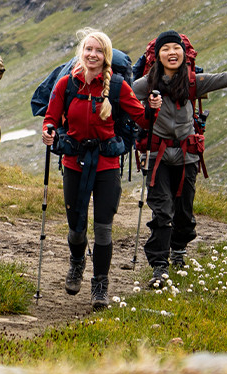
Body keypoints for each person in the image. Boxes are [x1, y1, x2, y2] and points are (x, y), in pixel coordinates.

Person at [131, 30, 227, 287]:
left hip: (188, 155)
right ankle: (159, 266)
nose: (172, 53)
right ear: (157, 56)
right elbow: (124, 102)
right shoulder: (144, 85)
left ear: (183, 53)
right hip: (157, 156)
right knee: (162, 212)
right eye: (165, 49)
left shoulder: (193, 82)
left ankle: (178, 250)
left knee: (185, 212)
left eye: (175, 48)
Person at [42, 29, 161, 311]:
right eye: (88, 49)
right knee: (76, 228)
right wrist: (49, 131)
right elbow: (50, 117)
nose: (92, 55)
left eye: (98, 51)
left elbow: (143, 121)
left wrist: (153, 109)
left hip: (107, 165)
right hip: (74, 163)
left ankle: (100, 285)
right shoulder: (65, 85)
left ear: (105, 56)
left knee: (103, 230)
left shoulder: (118, 86)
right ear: (81, 53)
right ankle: (77, 262)